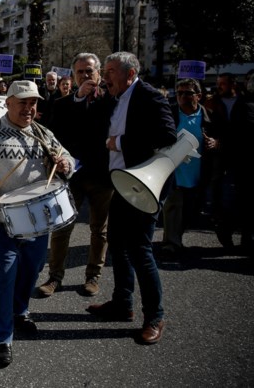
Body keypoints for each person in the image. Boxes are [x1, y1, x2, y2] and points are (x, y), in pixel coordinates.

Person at [0, 80, 74, 368]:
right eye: (23, 102)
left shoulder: (43, 133)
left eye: (33, 102)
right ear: (8, 102)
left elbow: (67, 158)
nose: (29, 107)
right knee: (1, 278)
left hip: (38, 221)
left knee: (31, 270)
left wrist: (65, 165)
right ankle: (2, 338)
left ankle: (20, 310)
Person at [86, 52, 177, 346]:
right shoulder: (114, 97)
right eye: (105, 70)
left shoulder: (150, 97)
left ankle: (154, 317)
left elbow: (166, 136)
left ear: (129, 73)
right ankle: (122, 304)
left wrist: (119, 142)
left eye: (110, 71)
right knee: (118, 243)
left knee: (139, 249)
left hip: (145, 187)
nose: (105, 76)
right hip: (123, 184)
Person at [39, 53, 116, 297]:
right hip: (71, 176)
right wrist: (79, 99)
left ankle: (93, 276)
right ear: (72, 76)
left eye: (89, 71)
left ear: (99, 73)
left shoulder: (112, 102)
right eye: (80, 72)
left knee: (99, 229)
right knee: (62, 227)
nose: (85, 75)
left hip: (102, 176)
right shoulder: (62, 105)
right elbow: (53, 136)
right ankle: (54, 277)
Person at [157, 78, 219, 258]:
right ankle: (171, 243)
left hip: (199, 171)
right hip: (173, 169)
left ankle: (175, 236)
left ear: (199, 96)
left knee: (191, 209)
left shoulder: (210, 116)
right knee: (173, 205)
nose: (183, 96)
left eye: (188, 93)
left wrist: (215, 142)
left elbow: (225, 139)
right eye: (179, 93)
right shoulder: (168, 113)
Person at [206, 72, 252, 247]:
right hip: (220, 156)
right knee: (221, 195)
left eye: (222, 84)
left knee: (244, 196)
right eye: (218, 84)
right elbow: (207, 126)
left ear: (233, 83)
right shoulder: (213, 103)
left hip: (243, 156)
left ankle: (246, 237)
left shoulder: (246, 102)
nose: (219, 87)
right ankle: (224, 230)